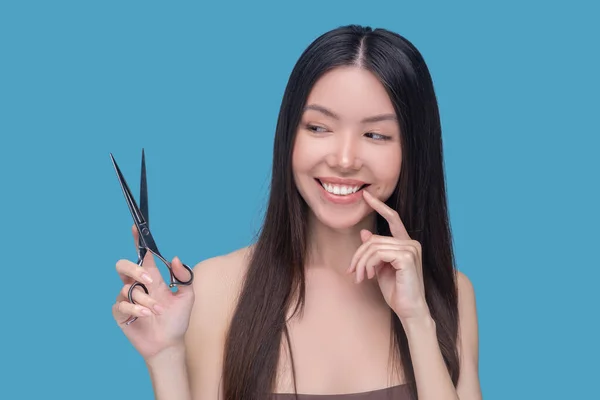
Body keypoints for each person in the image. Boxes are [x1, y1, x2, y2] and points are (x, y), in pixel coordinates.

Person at [112, 24, 482, 400]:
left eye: (375, 135)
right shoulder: (217, 290)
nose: (343, 159)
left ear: (412, 151)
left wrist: (417, 320)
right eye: (319, 127)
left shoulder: (448, 294)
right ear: (289, 136)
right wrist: (165, 356)